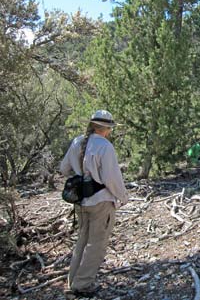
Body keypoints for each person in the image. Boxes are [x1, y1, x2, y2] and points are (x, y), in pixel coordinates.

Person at [60, 110, 128, 297]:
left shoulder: (77, 142)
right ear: (107, 129)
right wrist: (123, 197)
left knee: (83, 239)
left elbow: (64, 168)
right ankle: (82, 284)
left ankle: (73, 280)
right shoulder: (105, 146)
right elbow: (111, 178)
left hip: (81, 201)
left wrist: (82, 178)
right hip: (101, 201)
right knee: (96, 244)